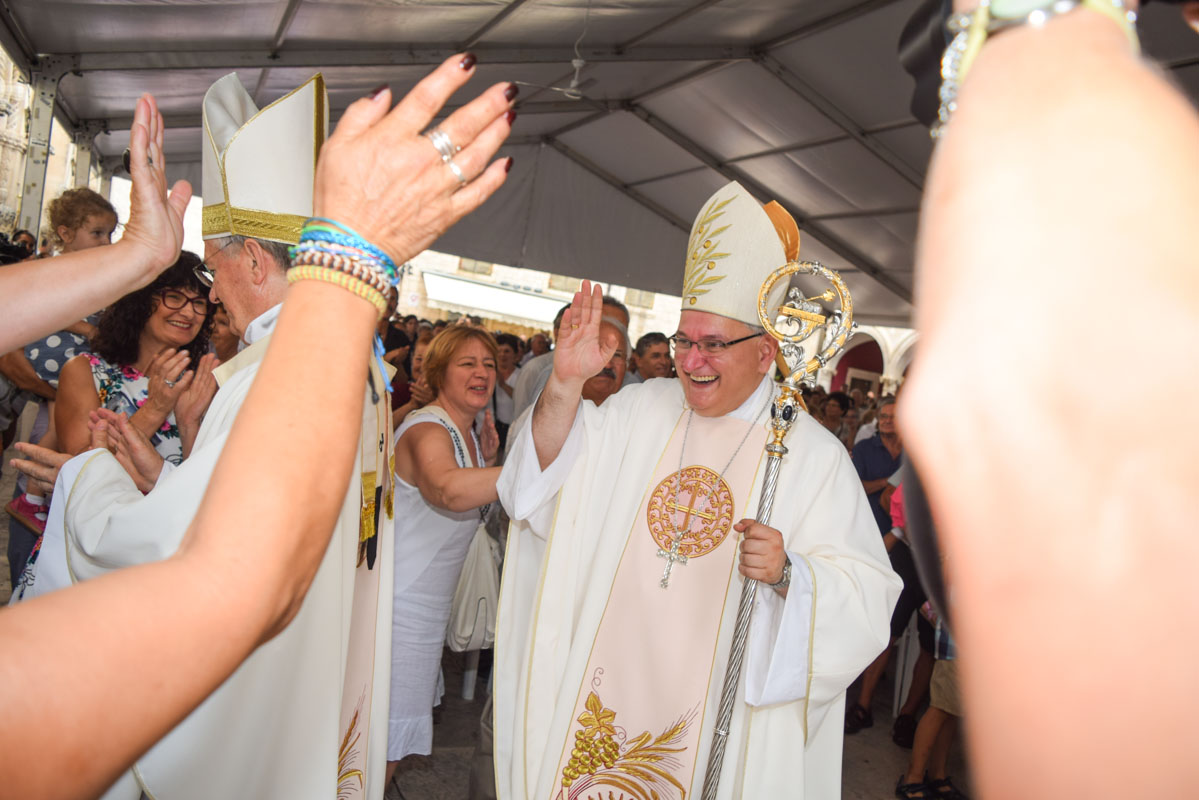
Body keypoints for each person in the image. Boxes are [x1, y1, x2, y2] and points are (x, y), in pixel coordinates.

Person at [0, 53, 513, 800]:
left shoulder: (271, 375)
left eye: (212, 268)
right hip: (310, 659)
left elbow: (191, 560)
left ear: (250, 258)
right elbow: (249, 523)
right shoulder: (353, 368)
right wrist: (161, 472)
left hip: (257, 670)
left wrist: (88, 473)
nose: (210, 293)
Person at [494, 181, 900, 798]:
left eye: (713, 344)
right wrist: (564, 385)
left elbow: (868, 600)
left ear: (766, 352)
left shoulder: (812, 457)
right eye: (684, 340)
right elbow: (538, 488)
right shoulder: (639, 411)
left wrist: (790, 574)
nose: (690, 361)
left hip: (715, 722)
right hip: (603, 688)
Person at [387, 326, 501, 780]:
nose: (482, 373)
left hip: (424, 612)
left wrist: (488, 462)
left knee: (384, 747)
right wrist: (522, 470)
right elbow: (446, 490)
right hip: (399, 612)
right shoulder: (428, 428)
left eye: (489, 364)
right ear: (438, 372)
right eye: (467, 363)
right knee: (380, 747)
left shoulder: (466, 434)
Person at [54, 252, 216, 465]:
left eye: (199, 303)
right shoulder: (85, 371)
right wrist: (155, 409)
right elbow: (80, 470)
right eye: (174, 297)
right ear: (140, 300)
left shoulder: (201, 386)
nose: (189, 313)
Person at [392, 329, 434, 429]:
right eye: (419, 359)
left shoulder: (449, 398)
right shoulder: (397, 391)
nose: (423, 366)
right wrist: (412, 405)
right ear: (412, 359)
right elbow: (379, 431)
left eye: (430, 360)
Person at [490, 331, 521, 449]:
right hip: (491, 427)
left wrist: (503, 385)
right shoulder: (488, 372)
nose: (502, 355)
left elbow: (522, 399)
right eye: (499, 351)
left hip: (511, 429)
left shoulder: (520, 375)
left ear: (515, 354)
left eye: (507, 351)